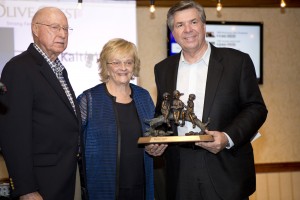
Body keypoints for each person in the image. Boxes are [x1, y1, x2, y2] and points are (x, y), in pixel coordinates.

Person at [154, 1, 268, 200]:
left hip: (225, 168)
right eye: (180, 25)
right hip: (179, 170)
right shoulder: (162, 68)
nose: (188, 30)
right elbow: (163, 114)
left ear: (204, 26)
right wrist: (156, 140)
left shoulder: (237, 62)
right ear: (173, 31)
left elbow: (256, 108)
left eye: (193, 22)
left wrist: (227, 137)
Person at [0, 7, 80, 200]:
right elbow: (13, 134)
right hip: (39, 184)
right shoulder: (19, 68)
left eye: (66, 29)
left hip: (62, 179)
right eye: (55, 27)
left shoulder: (59, 70)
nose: (62, 34)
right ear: (35, 29)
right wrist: (26, 189)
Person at [77, 38, 167, 200]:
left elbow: (154, 135)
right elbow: (72, 145)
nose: (123, 68)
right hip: (103, 189)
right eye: (116, 63)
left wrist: (157, 146)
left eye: (128, 62)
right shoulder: (89, 100)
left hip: (141, 187)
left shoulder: (144, 96)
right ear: (106, 65)